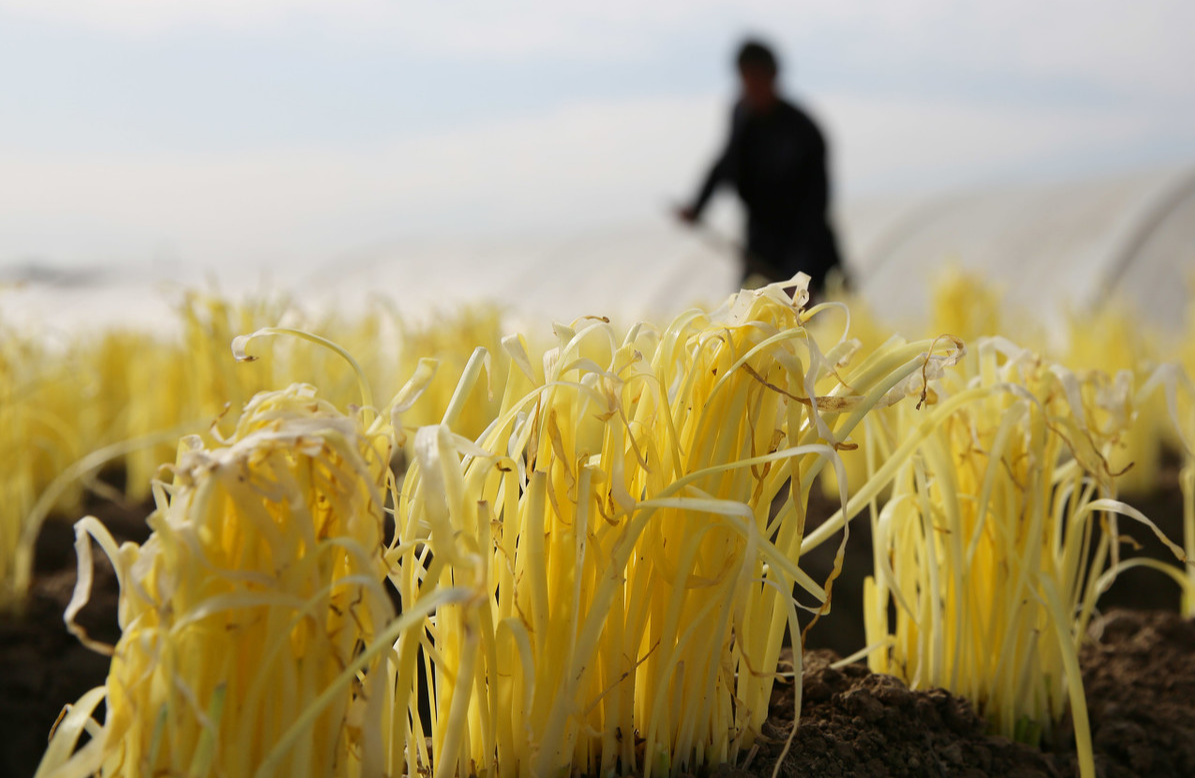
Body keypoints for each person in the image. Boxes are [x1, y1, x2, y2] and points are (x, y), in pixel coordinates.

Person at [677, 40, 844, 296]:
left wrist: (799, 275)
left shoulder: (804, 131)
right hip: (760, 241)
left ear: (774, 75)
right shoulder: (742, 118)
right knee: (747, 314)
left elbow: (815, 208)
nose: (752, 86)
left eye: (758, 76)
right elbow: (725, 163)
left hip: (805, 239)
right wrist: (698, 205)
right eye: (746, 77)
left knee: (820, 313)